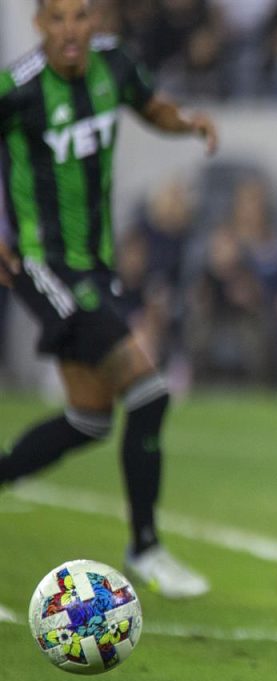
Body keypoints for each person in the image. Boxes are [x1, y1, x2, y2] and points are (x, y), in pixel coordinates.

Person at [0, 0, 218, 598]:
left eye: (82, 17)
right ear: (39, 25)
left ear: (96, 22)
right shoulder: (15, 90)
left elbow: (152, 107)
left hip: (95, 266)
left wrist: (187, 122)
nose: (71, 30)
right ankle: (145, 547)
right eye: (58, 19)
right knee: (148, 392)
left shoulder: (115, 66)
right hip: (43, 266)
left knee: (89, 419)